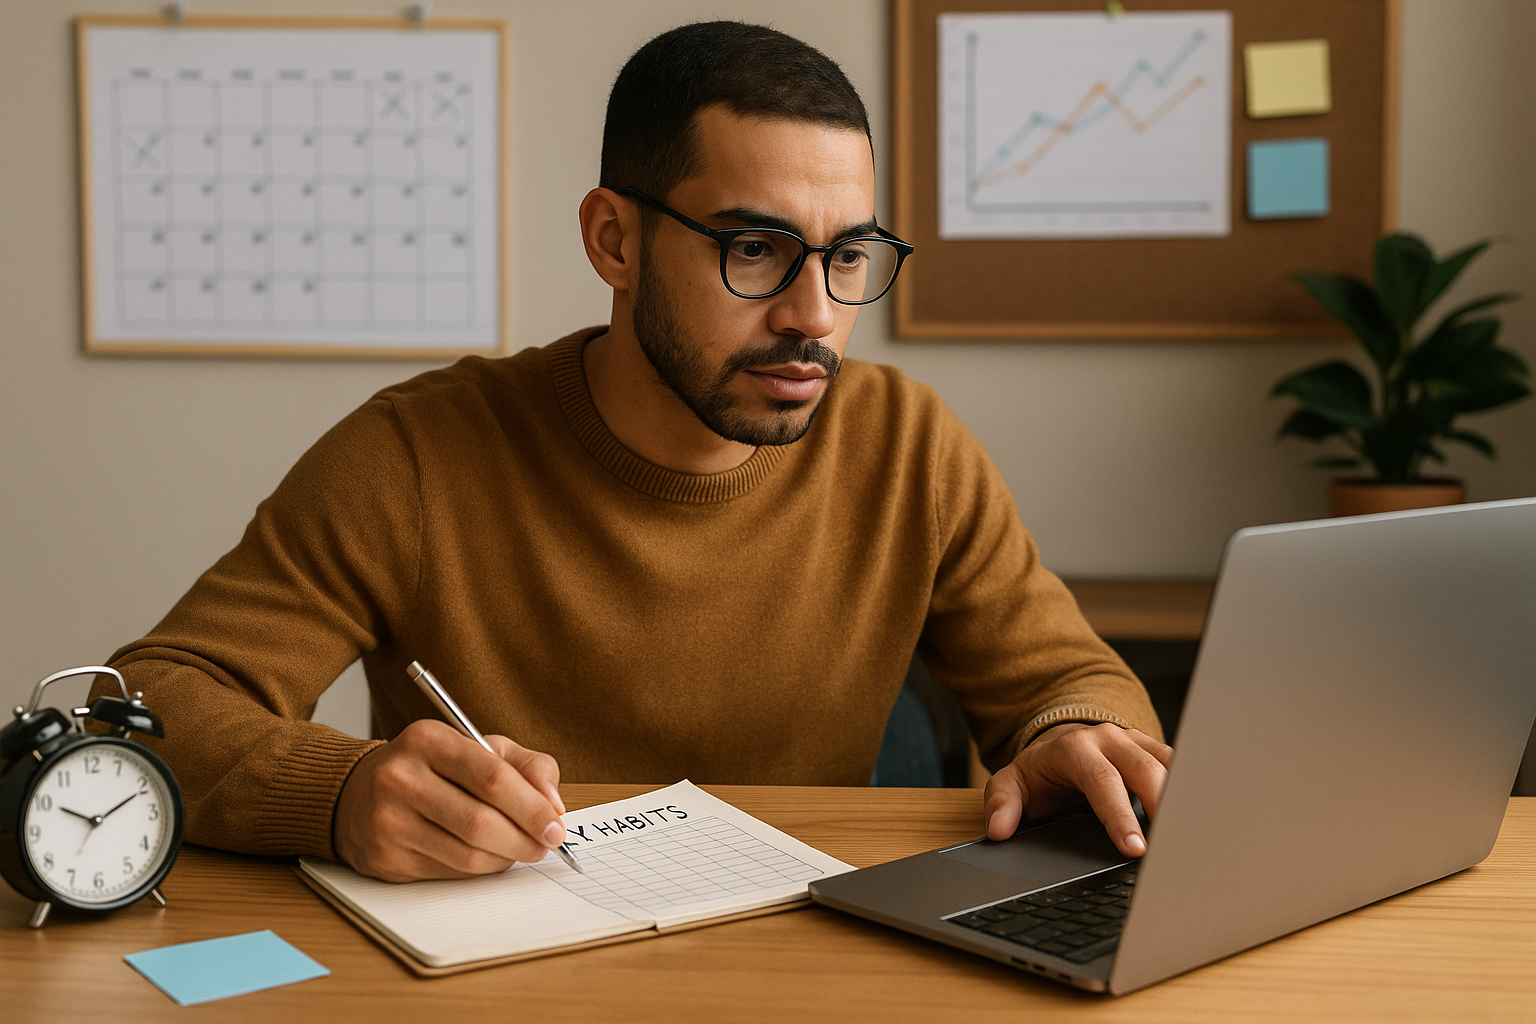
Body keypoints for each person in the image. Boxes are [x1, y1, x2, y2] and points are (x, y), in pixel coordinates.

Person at [100, 22, 1170, 883]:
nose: (816, 315)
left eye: (849, 254)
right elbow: (153, 698)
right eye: (755, 249)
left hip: (816, 969)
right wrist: (338, 793)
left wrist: (1080, 731)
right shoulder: (417, 454)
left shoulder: (908, 444)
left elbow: (1072, 680)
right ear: (615, 240)